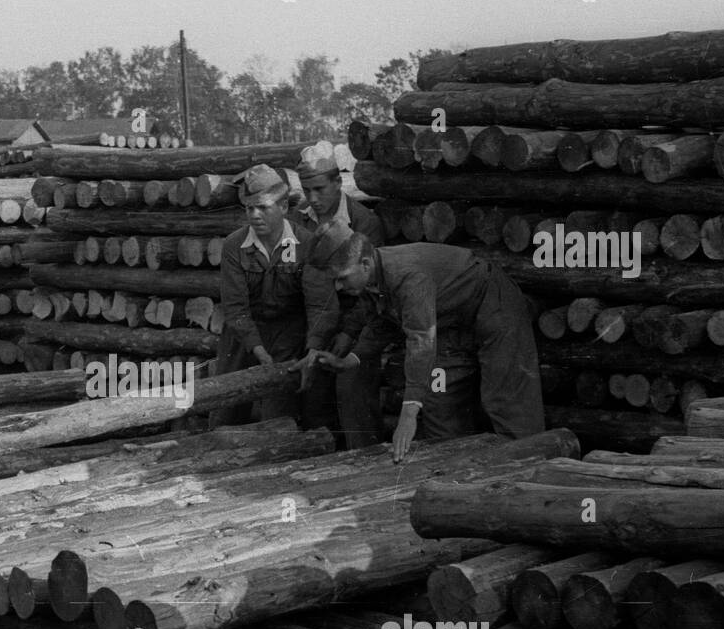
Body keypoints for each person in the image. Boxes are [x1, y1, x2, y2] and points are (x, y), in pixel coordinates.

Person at [320, 234, 546, 462]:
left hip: (494, 308)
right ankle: (452, 477)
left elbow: (421, 340)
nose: (338, 286)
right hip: (450, 325)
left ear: (365, 264)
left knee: (507, 400)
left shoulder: (407, 275)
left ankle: (531, 471)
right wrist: (351, 359)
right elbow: (381, 324)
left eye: (342, 278)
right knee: (440, 400)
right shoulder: (371, 281)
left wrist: (408, 413)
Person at [212, 163, 333, 428]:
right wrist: (256, 349)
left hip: (287, 334)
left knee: (279, 416)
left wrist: (313, 347)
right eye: (249, 208)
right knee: (226, 411)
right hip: (242, 336)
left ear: (283, 208)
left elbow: (319, 303)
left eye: (263, 208)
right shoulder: (234, 245)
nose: (255, 215)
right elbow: (235, 307)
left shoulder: (307, 243)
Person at [291, 155, 385, 448]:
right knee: (312, 397)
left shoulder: (363, 221)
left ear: (338, 182)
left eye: (320, 188)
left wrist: (348, 334)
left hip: (355, 322)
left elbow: (373, 289)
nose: (313, 198)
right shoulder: (297, 220)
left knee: (353, 395)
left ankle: (366, 465)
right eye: (307, 191)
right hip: (314, 323)